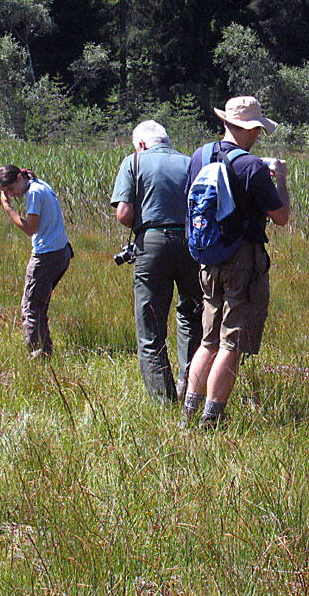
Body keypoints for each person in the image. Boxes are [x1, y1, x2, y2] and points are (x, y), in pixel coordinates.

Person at [180, 96, 290, 429]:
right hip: (243, 260)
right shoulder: (252, 166)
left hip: (208, 259)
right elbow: (281, 216)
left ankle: (188, 414)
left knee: (208, 340)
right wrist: (280, 179)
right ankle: (211, 421)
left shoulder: (199, 156)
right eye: (258, 129)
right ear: (251, 128)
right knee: (232, 343)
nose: (259, 135)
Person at [110, 120, 203, 404]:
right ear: (167, 140)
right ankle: (191, 387)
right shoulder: (190, 162)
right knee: (192, 314)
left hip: (152, 244)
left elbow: (124, 213)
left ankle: (164, 401)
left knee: (151, 326)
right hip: (191, 244)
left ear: (141, 144)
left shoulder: (134, 162)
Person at [0, 165, 72, 357]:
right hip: (61, 251)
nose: (11, 195)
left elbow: (30, 228)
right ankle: (45, 350)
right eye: (6, 193)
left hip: (46, 256)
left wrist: (8, 208)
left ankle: (38, 355)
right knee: (40, 304)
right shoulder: (39, 185)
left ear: (20, 178)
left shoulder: (34, 193)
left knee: (30, 307)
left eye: (11, 190)